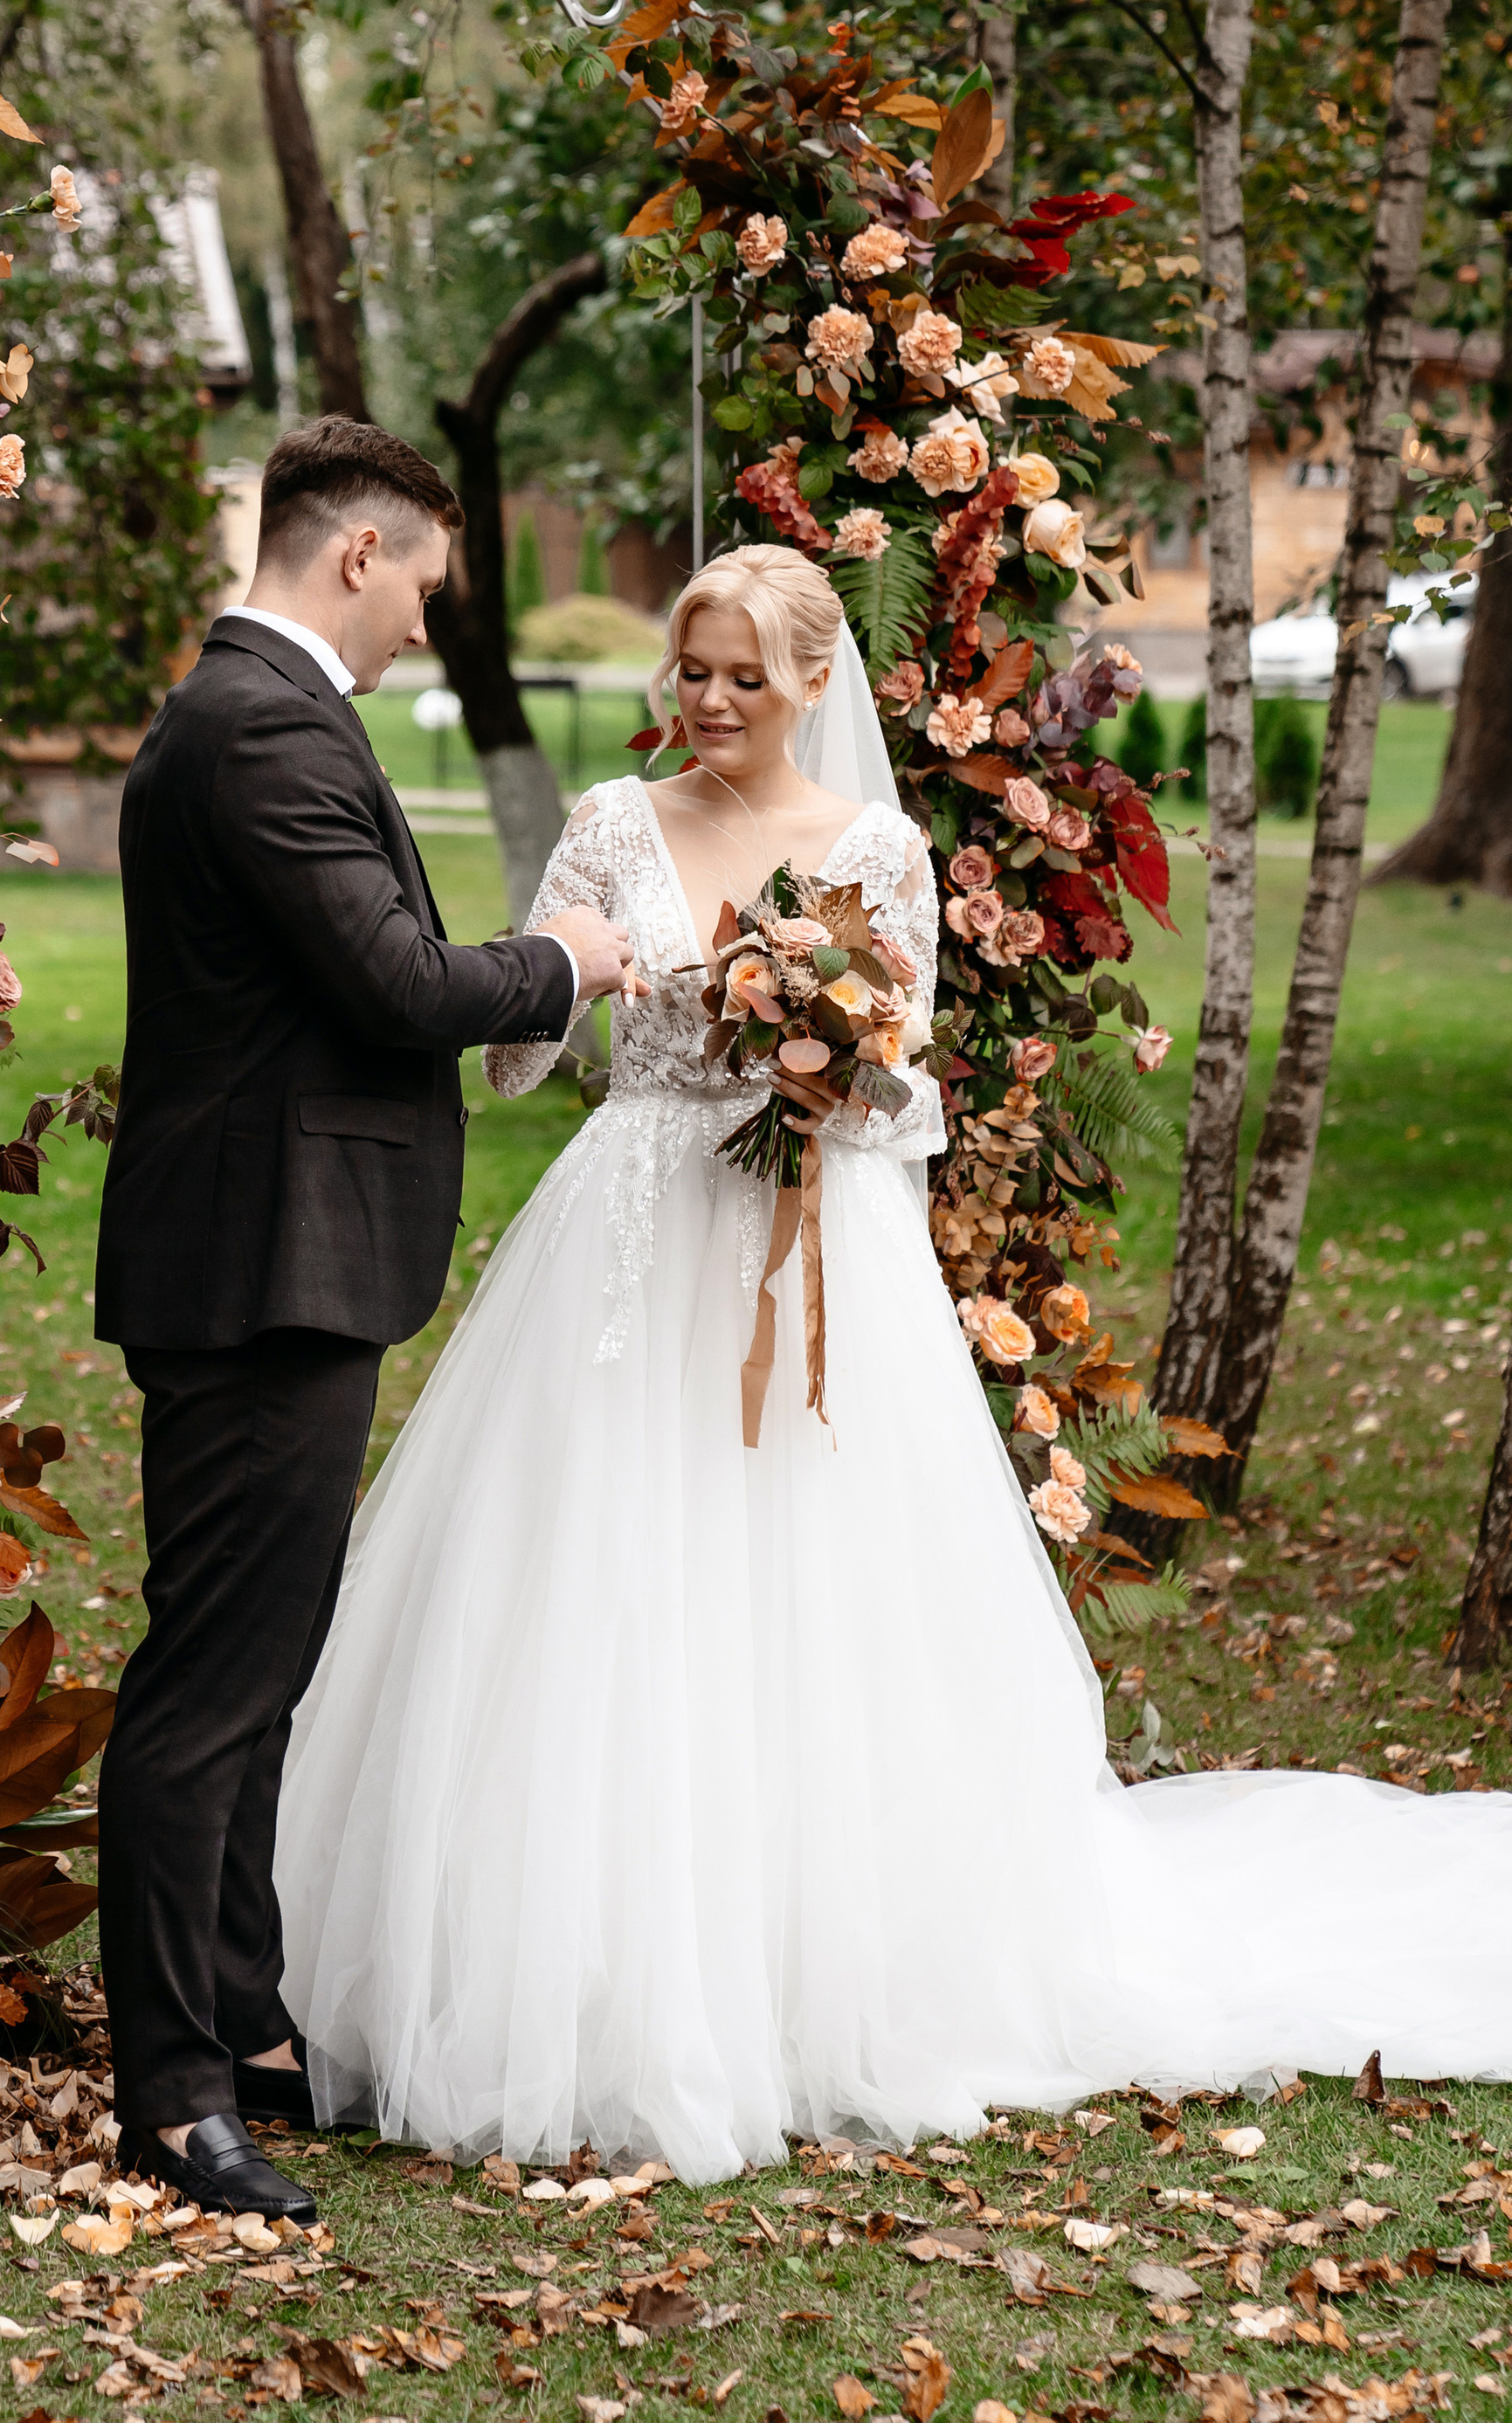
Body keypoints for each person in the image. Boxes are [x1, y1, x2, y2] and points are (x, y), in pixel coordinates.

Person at [273, 542, 1512, 2178]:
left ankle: (813, 1975)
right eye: (689, 670)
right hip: (635, 1235)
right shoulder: (605, 824)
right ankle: (569, 1959)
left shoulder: (880, 850)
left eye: (740, 677)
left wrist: (825, 1054)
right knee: (597, 1571)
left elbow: (910, 1099)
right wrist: (578, 973)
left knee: (808, 1591)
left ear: (808, 687)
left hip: (816, 1245)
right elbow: (515, 1063)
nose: (706, 702)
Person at [93, 415, 637, 2222]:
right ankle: (171, 2090)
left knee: (259, 1674)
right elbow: (395, 982)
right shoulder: (258, 726)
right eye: (419, 582)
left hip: (272, 1255)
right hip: (261, 1270)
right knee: (211, 1688)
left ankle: (242, 2029)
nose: (422, 619)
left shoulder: (246, 714)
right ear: (353, 553)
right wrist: (574, 961)